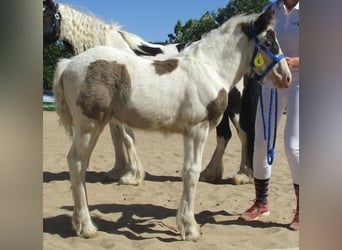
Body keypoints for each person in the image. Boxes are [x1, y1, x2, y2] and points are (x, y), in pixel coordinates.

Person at [239, 0, 300, 231]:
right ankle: (261, 203)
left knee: (293, 146)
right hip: (270, 83)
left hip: (300, 83)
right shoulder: (269, 9)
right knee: (261, 143)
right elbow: (256, 42)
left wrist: (294, 62)